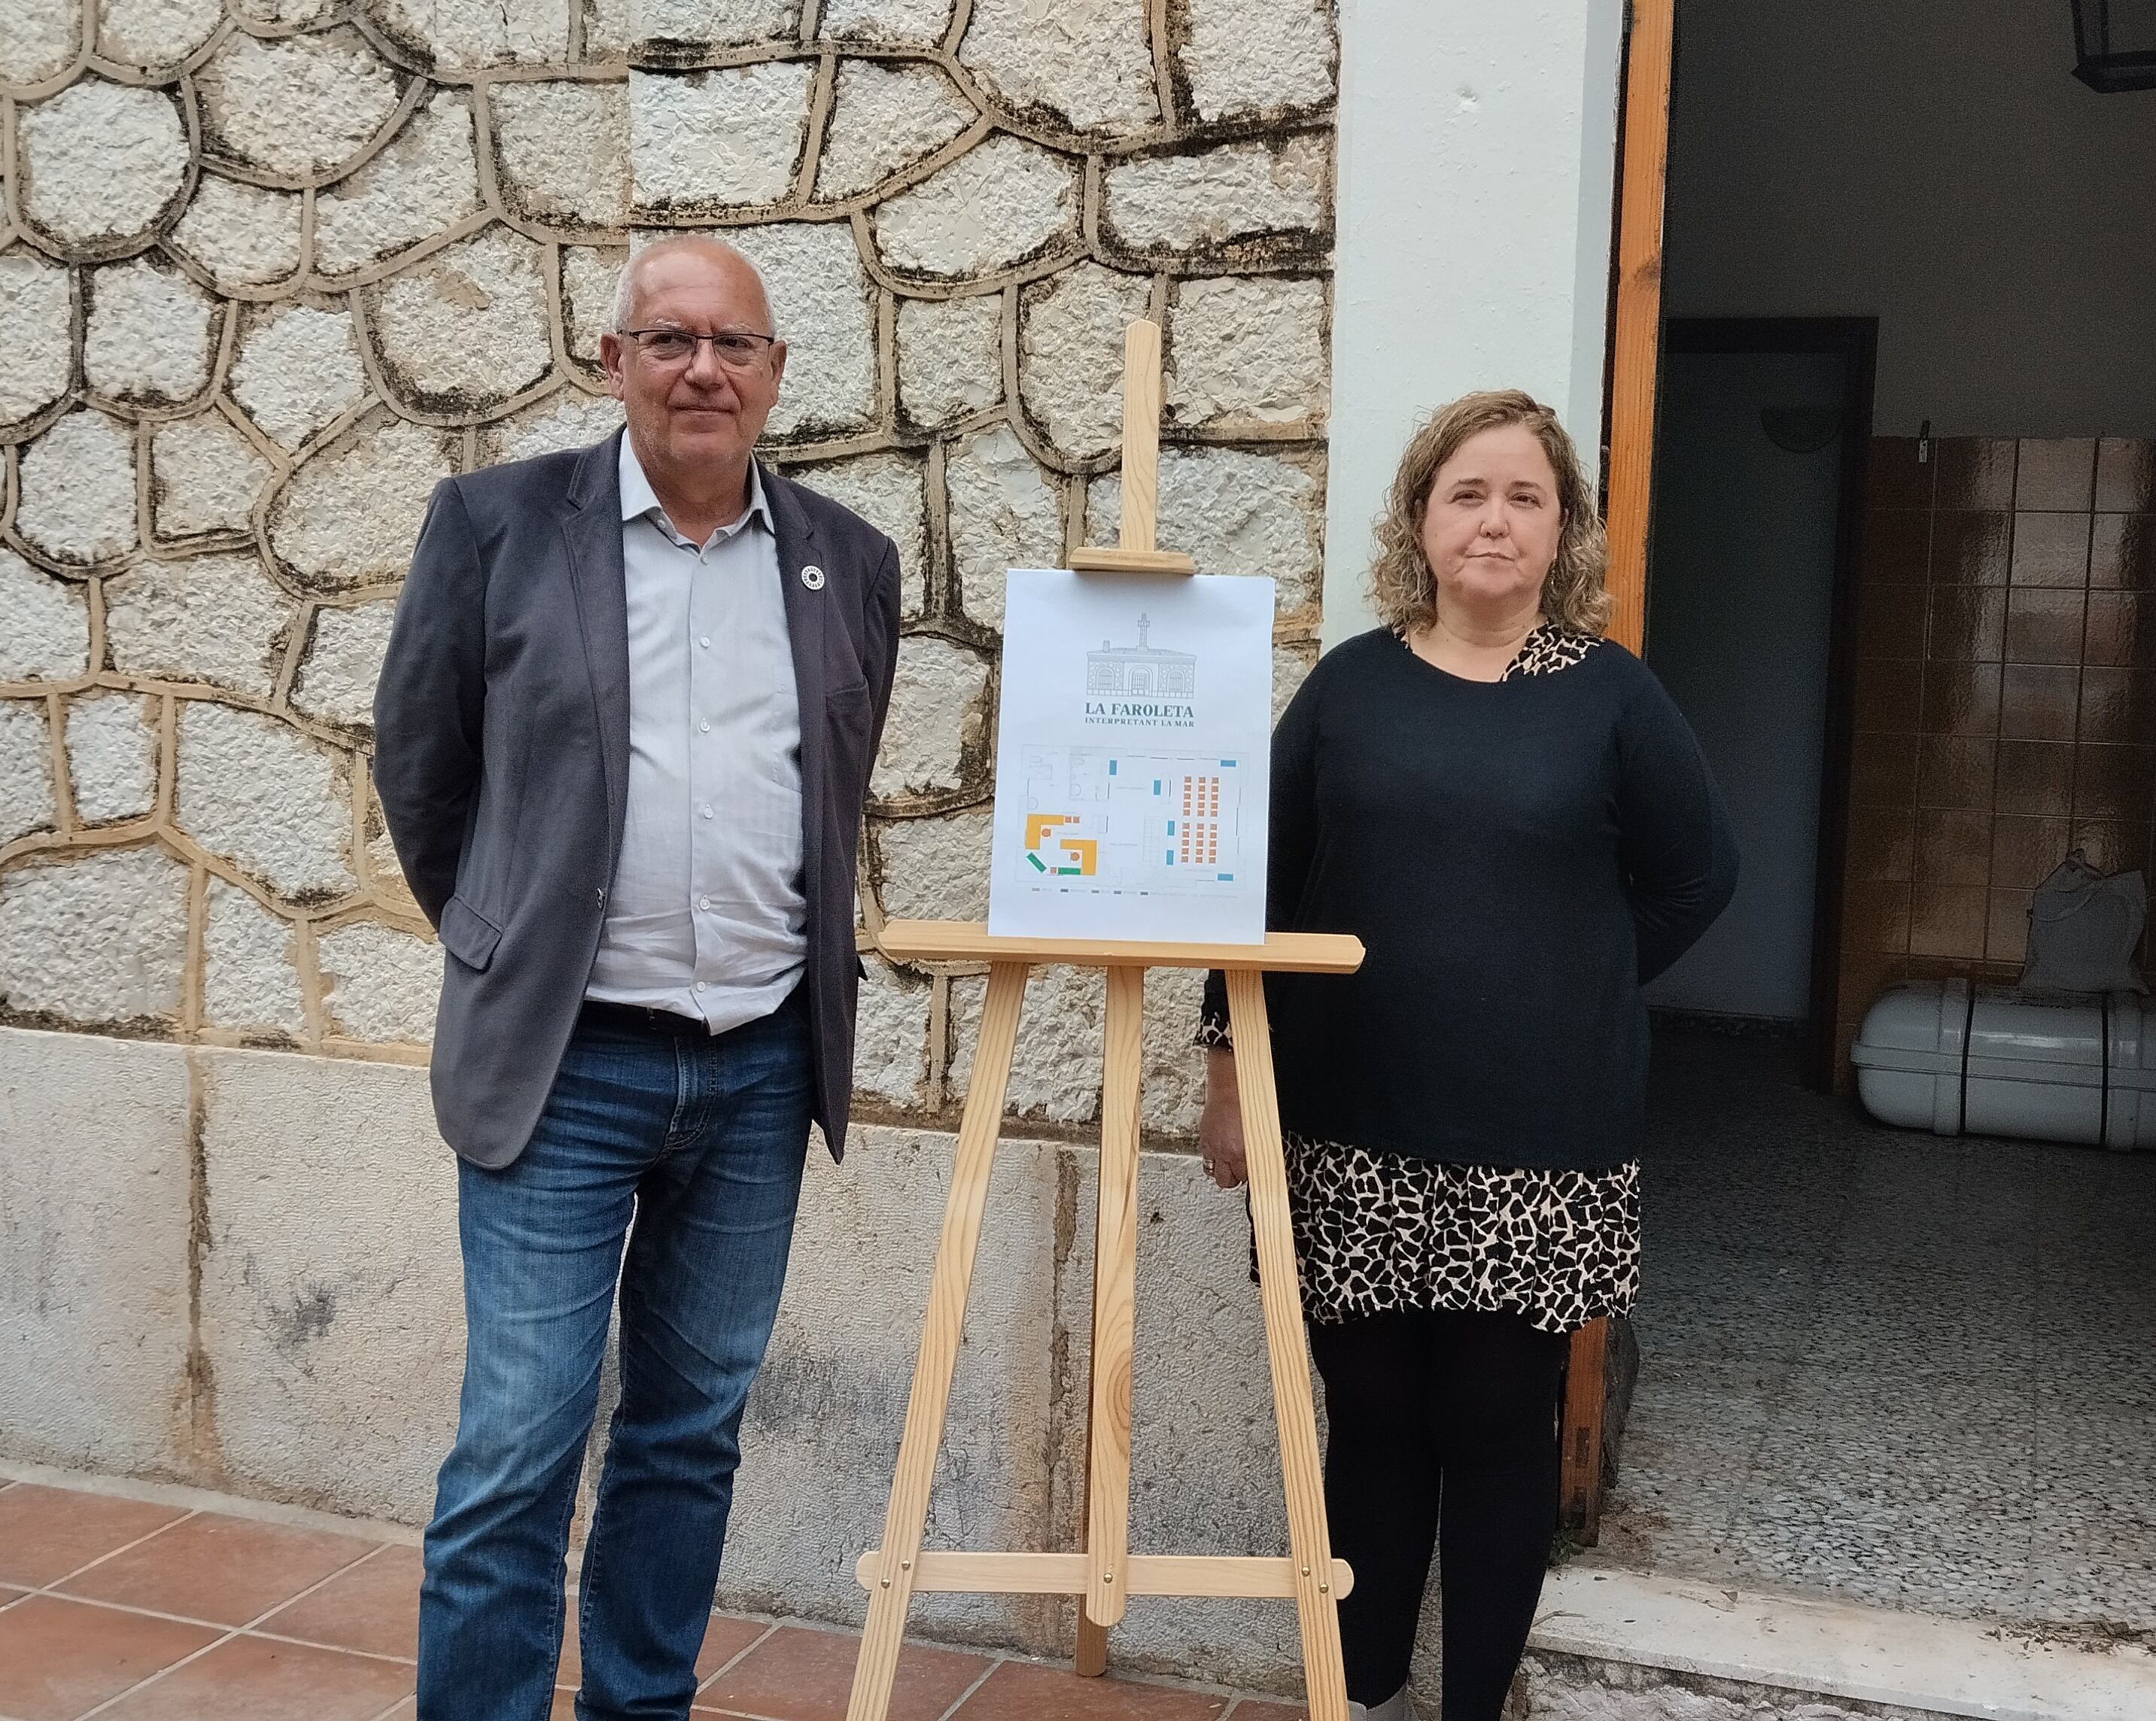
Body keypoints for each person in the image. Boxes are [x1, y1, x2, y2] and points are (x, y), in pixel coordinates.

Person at [373, 236, 902, 1721]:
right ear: (611, 361)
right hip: (567, 1065)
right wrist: (504, 935)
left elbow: (834, 791)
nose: (701, 369)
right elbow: (423, 775)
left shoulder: (847, 560)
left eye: (732, 344)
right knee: (516, 1447)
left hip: (752, 1068)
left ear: (776, 374)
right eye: (667, 339)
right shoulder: (495, 526)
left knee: (686, 1437)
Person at [1195, 391, 1737, 1721]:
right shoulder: (1352, 686)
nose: (1493, 520)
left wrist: (1571, 987)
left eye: (1524, 498)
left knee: (1498, 1428)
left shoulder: (1608, 696)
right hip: (1347, 1122)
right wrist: (1223, 1070)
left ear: (1561, 531)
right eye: (1466, 494)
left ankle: (1470, 1706)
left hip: (1536, 1140)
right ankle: (1361, 1687)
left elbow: (1695, 879)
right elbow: (1252, 888)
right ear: (1421, 521)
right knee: (1372, 1417)